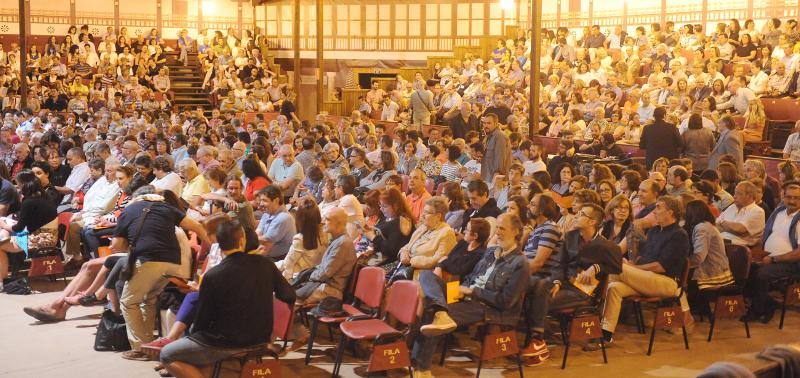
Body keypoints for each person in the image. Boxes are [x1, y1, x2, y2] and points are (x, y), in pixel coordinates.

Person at [159, 220, 295, 378]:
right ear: (242, 240)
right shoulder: (266, 264)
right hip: (260, 338)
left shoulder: (213, 275)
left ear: (217, 243)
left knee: (166, 354)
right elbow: (288, 295)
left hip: (223, 342)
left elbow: (203, 319)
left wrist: (193, 337)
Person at [411, 213, 529, 377]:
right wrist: (462, 290)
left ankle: (421, 368)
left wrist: (472, 291)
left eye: (502, 228)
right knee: (426, 275)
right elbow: (471, 278)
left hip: (488, 307)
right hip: (466, 295)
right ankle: (440, 312)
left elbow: (505, 302)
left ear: (516, 231)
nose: (497, 233)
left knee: (432, 310)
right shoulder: (491, 252)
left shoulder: (520, 264)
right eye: (497, 229)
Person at [114, 185, 210, 360]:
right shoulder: (166, 208)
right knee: (148, 299)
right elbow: (196, 226)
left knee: (128, 302)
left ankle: (141, 347)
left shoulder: (129, 211)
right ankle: (149, 343)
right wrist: (214, 245)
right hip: (172, 263)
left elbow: (118, 245)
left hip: (148, 260)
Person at [601, 196, 692, 344]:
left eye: (658, 208)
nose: (654, 212)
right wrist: (631, 262)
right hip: (645, 279)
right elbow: (642, 257)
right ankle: (606, 334)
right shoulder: (655, 231)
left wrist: (633, 268)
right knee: (614, 288)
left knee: (615, 267)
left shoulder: (679, 235)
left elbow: (660, 266)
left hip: (667, 283)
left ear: (670, 213)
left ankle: (586, 305)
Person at [746, 181, 800, 323]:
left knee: (761, 274)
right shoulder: (778, 212)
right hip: (767, 256)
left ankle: (762, 309)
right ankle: (766, 304)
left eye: (797, 198)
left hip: (791, 263)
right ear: (783, 196)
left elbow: (798, 253)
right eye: (789, 197)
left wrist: (774, 259)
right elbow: (766, 234)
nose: (792, 201)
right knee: (746, 269)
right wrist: (756, 251)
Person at [0, 170, 58, 286]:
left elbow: (18, 228)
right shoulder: (45, 197)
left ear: (23, 185)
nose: (17, 187)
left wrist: (4, 225)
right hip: (49, 235)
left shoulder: (28, 202)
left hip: (41, 238)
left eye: (18, 184)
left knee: (1, 245)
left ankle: (3, 280)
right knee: (4, 236)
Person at [294, 207, 356, 305]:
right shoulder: (338, 240)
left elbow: (326, 272)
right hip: (323, 284)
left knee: (287, 299)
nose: (322, 221)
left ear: (338, 223)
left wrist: (309, 276)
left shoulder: (342, 243)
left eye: (327, 219)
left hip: (331, 290)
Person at [683, 200, 734, 315]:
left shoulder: (702, 227)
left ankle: (685, 310)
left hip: (712, 270)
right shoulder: (702, 225)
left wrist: (683, 264)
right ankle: (692, 307)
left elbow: (699, 257)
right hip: (708, 266)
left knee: (678, 275)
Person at [276, 196, 325, 280]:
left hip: (297, 277)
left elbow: (288, 265)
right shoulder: (324, 233)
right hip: (311, 274)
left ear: (300, 218)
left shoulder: (300, 239)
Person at [716, 181, 765, 247]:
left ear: (749, 196)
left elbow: (740, 229)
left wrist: (723, 224)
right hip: (721, 241)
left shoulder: (757, 211)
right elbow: (716, 225)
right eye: (735, 193)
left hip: (738, 247)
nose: (734, 196)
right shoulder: (732, 207)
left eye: (738, 193)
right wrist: (734, 230)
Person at [255, 185, 296, 259]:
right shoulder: (267, 213)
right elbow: (258, 232)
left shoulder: (283, 218)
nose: (261, 204)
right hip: (266, 252)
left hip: (278, 259)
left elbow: (266, 242)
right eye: (261, 200)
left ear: (276, 200)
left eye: (264, 200)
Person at [480, 113, 511, 183]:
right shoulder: (488, 136)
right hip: (487, 176)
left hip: (496, 179)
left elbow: (500, 158)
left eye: (489, 123)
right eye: (484, 123)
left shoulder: (499, 136)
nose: (485, 126)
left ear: (496, 123)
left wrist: (496, 177)